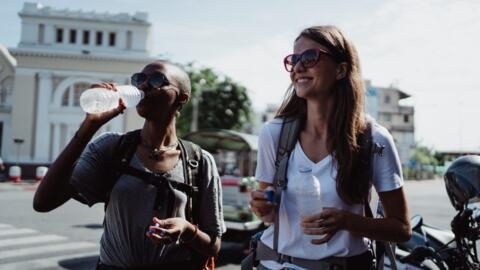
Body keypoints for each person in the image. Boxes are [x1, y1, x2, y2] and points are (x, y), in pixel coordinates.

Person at [33, 60, 225, 269]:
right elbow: (43, 202)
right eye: (139, 79)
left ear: (182, 98)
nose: (143, 86)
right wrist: (89, 127)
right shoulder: (111, 148)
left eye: (156, 80)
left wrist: (187, 230)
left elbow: (213, 246)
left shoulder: (199, 161)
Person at [249, 25, 412, 269]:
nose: (298, 67)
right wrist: (261, 206)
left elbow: (401, 228)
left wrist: (347, 221)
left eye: (310, 57)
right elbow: (269, 212)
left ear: (341, 70)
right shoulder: (274, 133)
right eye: (293, 59)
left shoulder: (374, 139)